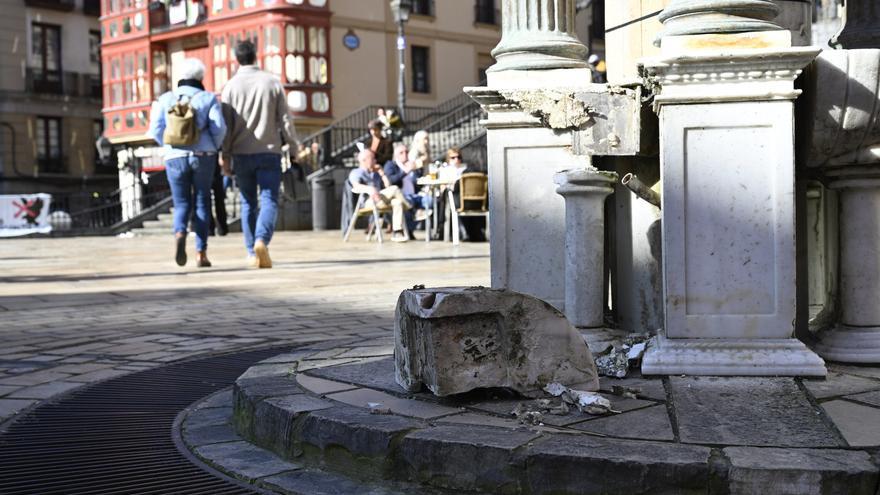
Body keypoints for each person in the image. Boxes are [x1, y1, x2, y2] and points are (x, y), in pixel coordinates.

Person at [221, 40, 297, 269]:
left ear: (237, 59)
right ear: (256, 56)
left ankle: (250, 251)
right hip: (269, 150)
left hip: (241, 152)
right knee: (269, 198)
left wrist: (225, 155)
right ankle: (261, 240)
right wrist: (293, 146)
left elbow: (226, 126)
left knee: (247, 202)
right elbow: (285, 120)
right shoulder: (271, 82)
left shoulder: (230, 87)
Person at [147, 58, 225, 268]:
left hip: (174, 157)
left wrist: (169, 145)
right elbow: (219, 128)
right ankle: (201, 252)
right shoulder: (207, 98)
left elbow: (155, 128)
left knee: (181, 203)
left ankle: (180, 232)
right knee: (202, 202)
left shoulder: (166, 99)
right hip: (203, 155)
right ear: (201, 77)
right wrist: (213, 146)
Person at [348, 149, 410, 242]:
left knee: (397, 202)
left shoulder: (375, 174)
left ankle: (397, 232)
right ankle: (411, 209)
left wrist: (382, 173)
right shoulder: (357, 172)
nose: (375, 161)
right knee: (395, 189)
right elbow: (356, 185)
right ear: (364, 160)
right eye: (372, 158)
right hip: (368, 202)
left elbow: (388, 186)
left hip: (380, 200)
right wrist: (370, 189)